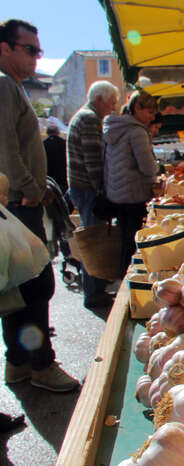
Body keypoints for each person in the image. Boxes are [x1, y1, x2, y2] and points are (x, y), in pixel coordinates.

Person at [0, 18, 79, 392]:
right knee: (36, 286)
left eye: (39, 51)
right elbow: (5, 148)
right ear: (5, 48)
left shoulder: (12, 87)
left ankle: (17, 363)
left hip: (17, 202)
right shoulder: (4, 86)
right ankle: (41, 365)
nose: (36, 57)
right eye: (29, 49)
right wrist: (30, 188)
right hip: (18, 204)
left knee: (15, 290)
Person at [66, 80, 119, 308]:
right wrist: (102, 191)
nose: (113, 108)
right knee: (93, 240)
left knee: (93, 236)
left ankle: (95, 288)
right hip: (87, 188)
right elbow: (93, 160)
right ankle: (93, 292)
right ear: (100, 99)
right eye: (112, 103)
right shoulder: (89, 119)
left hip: (82, 187)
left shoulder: (85, 116)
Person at [103, 90, 158, 277]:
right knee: (134, 240)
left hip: (117, 193)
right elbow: (147, 167)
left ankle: (122, 275)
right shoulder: (136, 132)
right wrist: (156, 169)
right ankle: (131, 279)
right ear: (137, 107)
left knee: (125, 238)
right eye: (149, 112)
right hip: (135, 194)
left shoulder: (114, 128)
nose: (151, 118)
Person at [43, 124, 67, 193]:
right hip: (63, 180)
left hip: (49, 181)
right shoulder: (65, 143)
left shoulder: (43, 144)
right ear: (58, 132)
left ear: (47, 133)